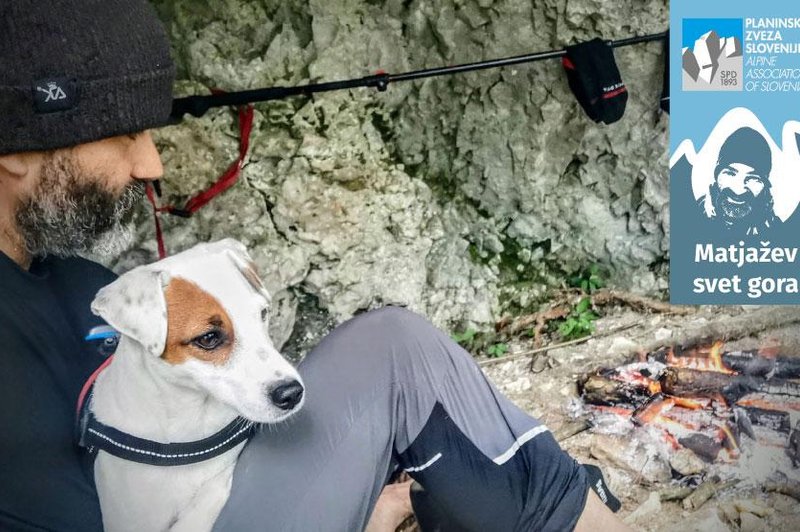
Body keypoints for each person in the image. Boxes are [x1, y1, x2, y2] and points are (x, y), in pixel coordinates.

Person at [0, 1, 629, 531]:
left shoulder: (76, 277)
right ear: (16, 150)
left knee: (429, 447)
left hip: (216, 485)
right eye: (123, 134)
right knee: (392, 347)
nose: (153, 166)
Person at [697, 126, 780, 237]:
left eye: (753, 178)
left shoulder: (779, 231)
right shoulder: (691, 217)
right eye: (731, 173)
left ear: (764, 185)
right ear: (717, 175)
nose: (738, 189)